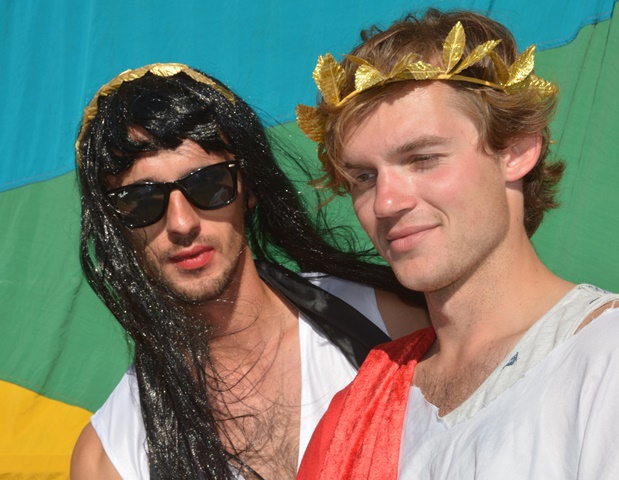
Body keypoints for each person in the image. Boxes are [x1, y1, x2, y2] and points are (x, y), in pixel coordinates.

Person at [295, 8, 619, 479]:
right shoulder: (359, 407)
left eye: (423, 158)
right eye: (364, 177)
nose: (385, 202)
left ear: (517, 150)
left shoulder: (605, 355)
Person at [69, 63, 429, 479]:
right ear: (114, 225)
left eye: (208, 184)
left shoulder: (389, 323)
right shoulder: (108, 459)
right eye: (142, 200)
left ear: (250, 187)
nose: (182, 223)